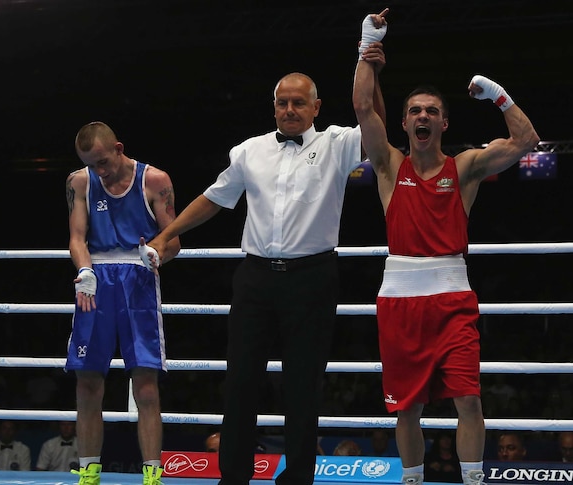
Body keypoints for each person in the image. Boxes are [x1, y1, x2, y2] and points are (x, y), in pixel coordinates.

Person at [141, 48, 387, 485]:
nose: (289, 110)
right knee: (240, 381)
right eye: (282, 102)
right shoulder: (249, 151)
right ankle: (232, 476)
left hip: (312, 277)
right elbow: (213, 199)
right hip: (254, 278)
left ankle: (298, 478)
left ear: (316, 107)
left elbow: (374, 124)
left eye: (298, 102)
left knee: (303, 384)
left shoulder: (337, 143)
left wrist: (369, 65)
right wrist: (165, 236)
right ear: (273, 106)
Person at [352, 9, 540, 485]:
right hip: (400, 299)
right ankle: (412, 481)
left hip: (453, 296)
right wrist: (367, 47)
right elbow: (361, 108)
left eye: (431, 111)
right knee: (407, 407)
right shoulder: (390, 166)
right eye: (415, 110)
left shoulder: (467, 168)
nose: (422, 116)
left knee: (469, 398)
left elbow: (526, 139)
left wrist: (497, 95)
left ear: (444, 123)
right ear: (406, 121)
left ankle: (473, 481)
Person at [66, 121, 181, 485]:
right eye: (91, 164)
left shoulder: (155, 180)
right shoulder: (79, 181)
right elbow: (77, 237)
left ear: (118, 147)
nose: (99, 171)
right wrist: (84, 270)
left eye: (103, 161)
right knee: (87, 380)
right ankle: (88, 470)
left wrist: (156, 253)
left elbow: (173, 239)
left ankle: (151, 474)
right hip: (95, 279)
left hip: (138, 276)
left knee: (145, 382)